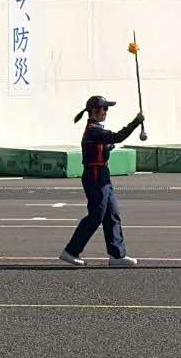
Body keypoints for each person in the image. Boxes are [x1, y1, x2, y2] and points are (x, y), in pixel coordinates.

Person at [59, 96, 144, 268]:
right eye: (104, 109)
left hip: (102, 174)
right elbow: (118, 136)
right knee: (96, 215)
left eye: (106, 109)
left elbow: (100, 147)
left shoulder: (95, 130)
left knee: (112, 214)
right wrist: (136, 122)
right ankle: (71, 251)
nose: (106, 112)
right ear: (93, 112)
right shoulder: (93, 130)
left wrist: (107, 148)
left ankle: (117, 256)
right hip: (95, 176)